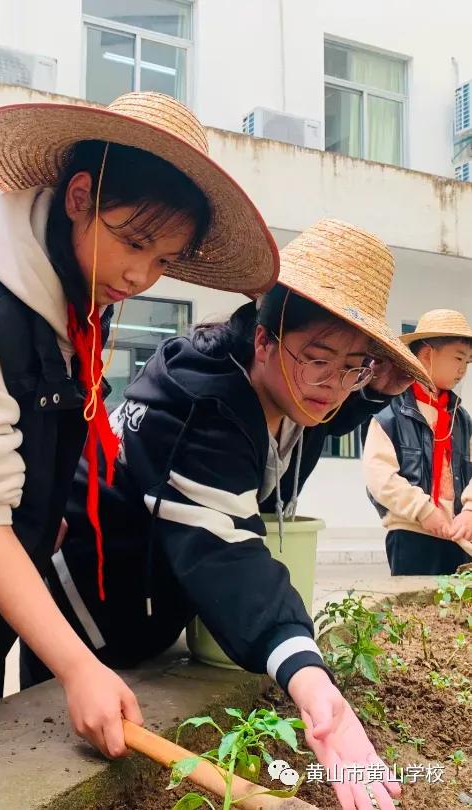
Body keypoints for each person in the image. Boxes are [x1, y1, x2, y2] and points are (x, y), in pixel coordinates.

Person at [0, 91, 279, 758]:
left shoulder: (69, 302)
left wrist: (44, 509)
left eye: (162, 260)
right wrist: (78, 667)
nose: (139, 274)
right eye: (133, 242)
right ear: (79, 196)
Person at [25, 219, 427, 810]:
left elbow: (324, 404)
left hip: (155, 586)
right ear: (263, 340)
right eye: (319, 358)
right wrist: (311, 679)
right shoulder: (199, 405)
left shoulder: (297, 389)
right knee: (70, 756)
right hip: (88, 595)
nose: (331, 385)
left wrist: (371, 390)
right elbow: (225, 549)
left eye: (354, 367)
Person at [364, 309, 472, 575]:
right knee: (414, 613)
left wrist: (470, 509)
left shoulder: (461, 418)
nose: (463, 370)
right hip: (411, 535)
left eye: (468, 362)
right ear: (427, 355)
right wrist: (423, 510)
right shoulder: (391, 412)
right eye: (458, 358)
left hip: (458, 535)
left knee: (455, 615)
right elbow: (379, 477)